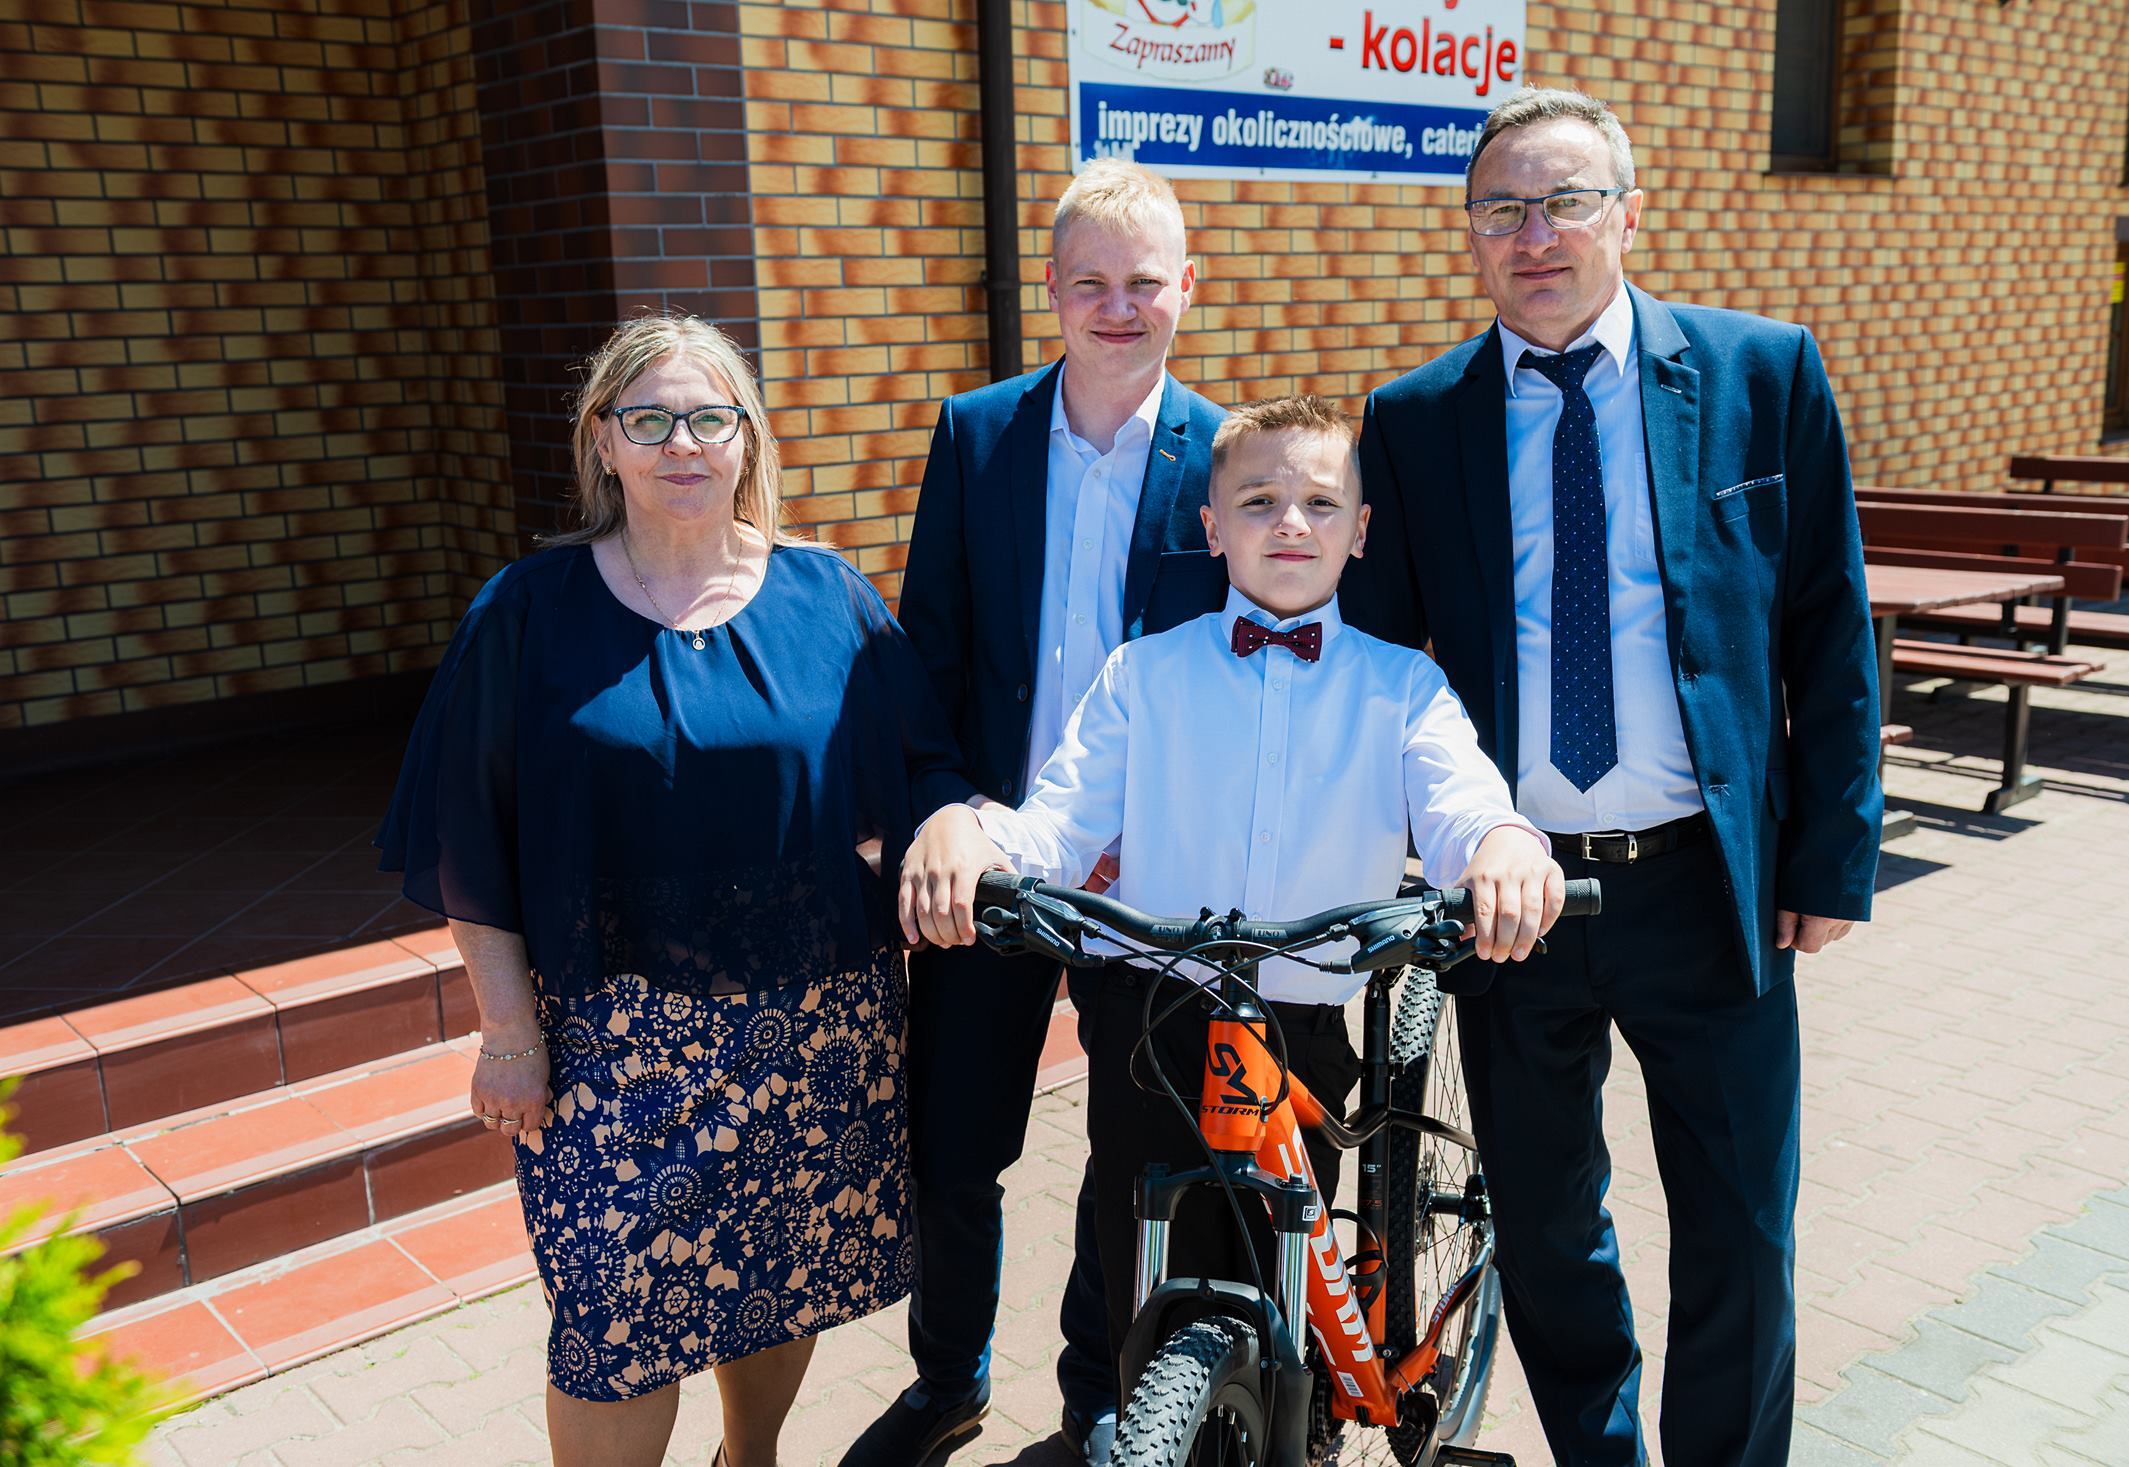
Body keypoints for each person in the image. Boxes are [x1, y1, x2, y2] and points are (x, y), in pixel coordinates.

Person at [1343, 87, 1882, 1467]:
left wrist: (1832, 857)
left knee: (1742, 1230)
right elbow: (1383, 667)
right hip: (1512, 902)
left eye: (1566, 201)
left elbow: (1827, 625)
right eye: (1502, 209)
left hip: (1706, 886)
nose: (1535, 235)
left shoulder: (1763, 374)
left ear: (1629, 216)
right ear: (1471, 235)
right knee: (1543, 1227)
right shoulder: (1413, 420)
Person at [375, 314, 972, 1467]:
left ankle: (750, 1459)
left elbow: (924, 764)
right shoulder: (527, 611)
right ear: (603, 441)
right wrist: (506, 1030)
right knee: (612, 1328)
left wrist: (951, 822)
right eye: (648, 420)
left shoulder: (829, 598)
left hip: (815, 1028)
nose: (681, 444)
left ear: (747, 438)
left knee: (777, 1280)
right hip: (611, 1043)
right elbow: (467, 834)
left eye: (707, 418)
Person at [901, 394, 1564, 1397]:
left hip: (1305, 1027)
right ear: (1212, 529)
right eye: (1258, 502)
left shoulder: (1403, 689)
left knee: (1286, 1284)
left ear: (1359, 531)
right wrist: (971, 832)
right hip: (1150, 1026)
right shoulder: (1142, 674)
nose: (1290, 523)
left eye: (1319, 502)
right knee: (1133, 1275)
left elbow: (1461, 802)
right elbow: (1057, 827)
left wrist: (1502, 843)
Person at [845, 159, 1228, 1467]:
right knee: (953, 1142)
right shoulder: (977, 435)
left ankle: (1096, 1392)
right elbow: (930, 659)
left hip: (1145, 874)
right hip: (996, 854)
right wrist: (946, 809)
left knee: (1132, 1154)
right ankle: (946, 1377)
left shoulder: (1228, 458)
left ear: (1187, 287)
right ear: (1053, 289)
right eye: (1091, 283)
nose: (1118, 308)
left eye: (1144, 283)